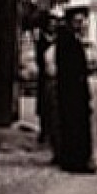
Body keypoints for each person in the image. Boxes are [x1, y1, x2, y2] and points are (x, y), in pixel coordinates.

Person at [51, 7, 97, 173]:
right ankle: (76, 161)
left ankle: (76, 159)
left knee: (76, 126)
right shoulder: (67, 41)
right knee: (74, 127)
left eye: (82, 21)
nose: (81, 24)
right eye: (78, 21)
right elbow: (70, 70)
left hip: (74, 91)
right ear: (70, 22)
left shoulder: (71, 39)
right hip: (72, 93)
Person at [33, 12, 59, 148]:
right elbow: (39, 58)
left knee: (53, 106)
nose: (53, 27)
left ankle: (52, 132)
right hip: (45, 75)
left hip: (55, 75)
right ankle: (44, 131)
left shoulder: (58, 39)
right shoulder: (42, 39)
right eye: (51, 24)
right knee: (45, 104)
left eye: (55, 24)